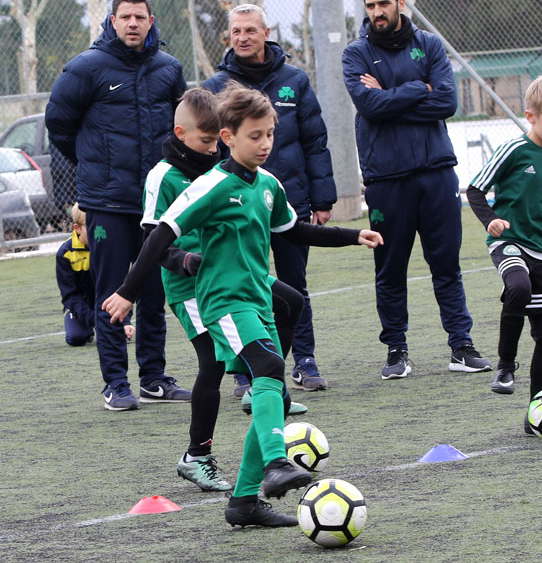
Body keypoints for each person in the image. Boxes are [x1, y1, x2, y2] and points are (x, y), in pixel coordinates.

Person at [102, 85, 383, 528]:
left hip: (255, 298)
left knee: (269, 379)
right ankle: (274, 462)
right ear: (228, 137)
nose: (266, 144)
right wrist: (128, 292)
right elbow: (159, 235)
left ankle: (244, 502)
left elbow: (295, 231)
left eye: (270, 134)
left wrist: (352, 235)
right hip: (221, 301)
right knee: (268, 369)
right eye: (256, 135)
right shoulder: (212, 185)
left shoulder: (268, 185)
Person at [142, 87, 306, 493]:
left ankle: (264, 382)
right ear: (181, 134)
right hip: (193, 287)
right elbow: (151, 234)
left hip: (233, 275)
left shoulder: (227, 169)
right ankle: (197, 455)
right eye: (206, 140)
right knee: (210, 366)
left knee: (291, 301)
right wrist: (182, 261)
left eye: (217, 140)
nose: (213, 147)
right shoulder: (164, 175)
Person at [45, 0, 191, 411]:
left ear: (151, 21)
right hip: (107, 201)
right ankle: (115, 384)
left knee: (153, 292)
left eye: (139, 17)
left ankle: (154, 378)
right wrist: (93, 164)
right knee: (111, 290)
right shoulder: (86, 67)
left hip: (156, 203)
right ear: (112, 21)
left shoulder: (169, 68)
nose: (132, 23)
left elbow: (184, 125)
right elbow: (59, 124)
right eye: (124, 17)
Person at [341, 0, 490, 380]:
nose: (377, 13)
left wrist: (390, 95)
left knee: (447, 265)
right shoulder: (355, 54)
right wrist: (416, 89)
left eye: (383, 4)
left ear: (400, 3)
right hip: (386, 180)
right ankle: (396, 350)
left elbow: (446, 101)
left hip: (436, 173)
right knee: (389, 269)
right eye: (370, 6)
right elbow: (369, 107)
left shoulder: (429, 45)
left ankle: (461, 346)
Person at [204, 4, 337, 395]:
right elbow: (208, 150)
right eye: (236, 31)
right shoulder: (217, 87)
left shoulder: (294, 80)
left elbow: (315, 141)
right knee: (245, 286)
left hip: (290, 201)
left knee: (295, 284)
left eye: (250, 30)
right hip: (237, 208)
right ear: (229, 37)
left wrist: (323, 198)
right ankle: (247, 370)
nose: (242, 37)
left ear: (266, 32)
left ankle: (304, 360)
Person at [465, 74, 542, 415]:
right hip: (508, 242)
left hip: (540, 250)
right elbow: (474, 189)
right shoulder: (514, 149)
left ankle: (538, 410)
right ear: (531, 116)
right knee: (518, 286)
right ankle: (505, 365)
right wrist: (491, 221)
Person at [56, 203, 134, 346]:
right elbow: (70, 296)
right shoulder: (65, 254)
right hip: (81, 306)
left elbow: (120, 287)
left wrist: (125, 320)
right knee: (76, 338)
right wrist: (96, 320)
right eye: (90, 226)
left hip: (107, 304)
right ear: (77, 228)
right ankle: (88, 326)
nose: (96, 230)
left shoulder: (108, 246)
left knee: (117, 336)